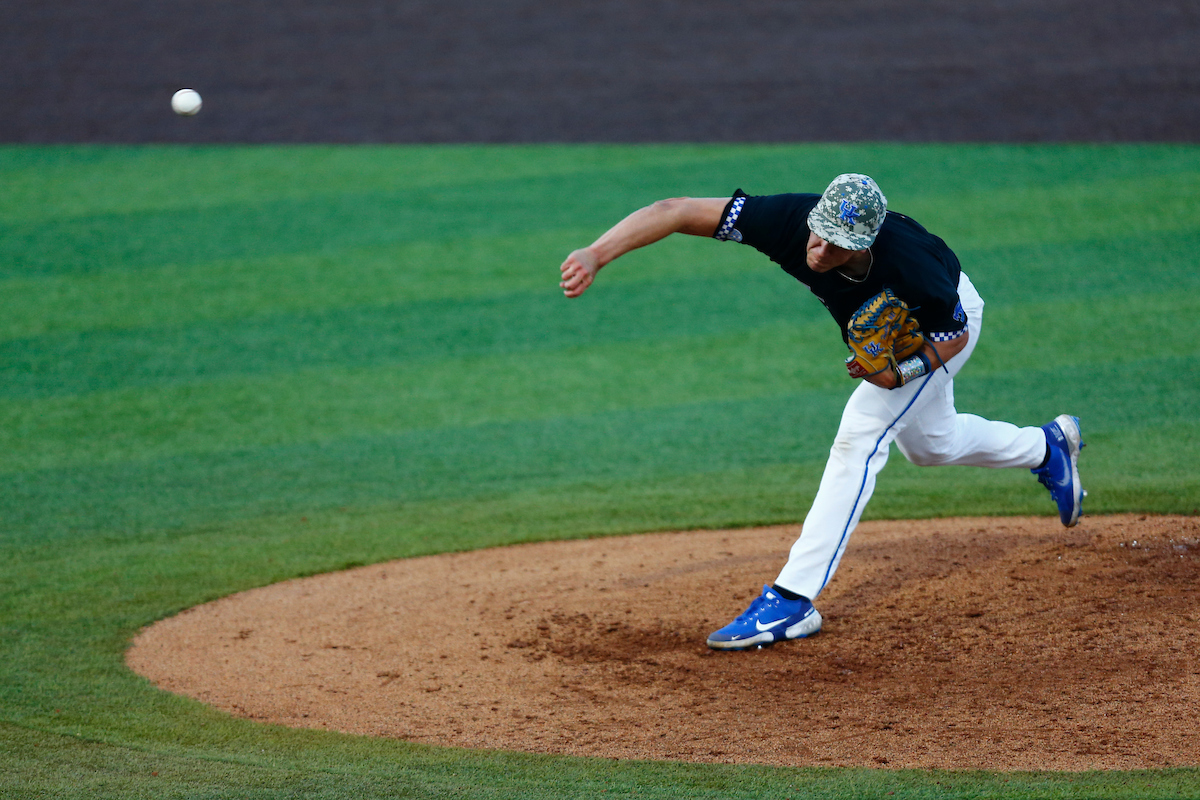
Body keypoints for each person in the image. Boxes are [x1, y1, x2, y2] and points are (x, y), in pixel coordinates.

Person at [558, 174, 1085, 651]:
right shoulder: (790, 221)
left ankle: (792, 599)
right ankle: (1047, 446)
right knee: (931, 446)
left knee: (861, 433)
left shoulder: (912, 268)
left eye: (837, 243)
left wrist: (895, 374)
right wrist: (597, 253)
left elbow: (954, 334)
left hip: (941, 322)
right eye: (819, 232)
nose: (819, 247)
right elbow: (673, 209)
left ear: (866, 244)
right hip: (925, 329)